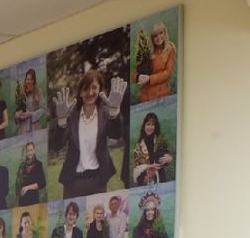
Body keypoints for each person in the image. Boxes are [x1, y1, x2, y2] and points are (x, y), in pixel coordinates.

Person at [52, 70, 128, 198]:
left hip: (98, 181)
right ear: (80, 92)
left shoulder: (105, 112)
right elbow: (57, 145)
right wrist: (61, 121)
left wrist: (114, 112)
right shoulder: (71, 114)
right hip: (73, 183)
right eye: (86, 88)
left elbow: (116, 134)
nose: (90, 92)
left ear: (100, 89)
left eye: (94, 88)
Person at [137, 21, 176, 101]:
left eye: (161, 33)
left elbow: (167, 73)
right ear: (151, 38)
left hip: (161, 94)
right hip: (145, 96)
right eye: (155, 36)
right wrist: (138, 77)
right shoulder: (148, 51)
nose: (158, 38)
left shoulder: (170, 49)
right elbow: (135, 73)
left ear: (165, 33)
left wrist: (150, 79)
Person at [133, 112, 174, 185]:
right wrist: (149, 167)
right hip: (145, 178)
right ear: (144, 126)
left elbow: (168, 153)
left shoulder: (159, 140)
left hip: (160, 177)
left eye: (152, 124)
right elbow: (136, 168)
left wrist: (169, 158)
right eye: (148, 124)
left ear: (156, 126)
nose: (150, 127)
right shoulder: (139, 145)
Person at [15, 140, 46, 206]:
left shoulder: (38, 164)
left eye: (31, 150)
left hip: (33, 199)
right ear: (26, 152)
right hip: (22, 200)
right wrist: (19, 192)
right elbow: (17, 183)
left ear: (34, 151)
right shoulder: (22, 165)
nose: (29, 152)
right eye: (28, 150)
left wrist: (27, 188)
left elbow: (42, 183)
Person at [14, 69, 43, 135]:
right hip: (23, 128)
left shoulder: (38, 91)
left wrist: (31, 114)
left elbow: (43, 109)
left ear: (34, 81)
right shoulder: (21, 92)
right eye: (27, 79)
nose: (29, 81)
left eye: (31, 79)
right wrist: (17, 115)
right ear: (25, 79)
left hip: (34, 126)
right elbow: (18, 109)